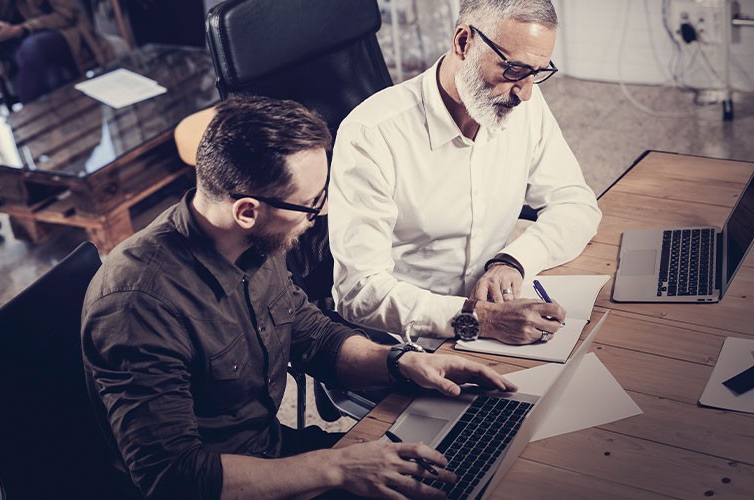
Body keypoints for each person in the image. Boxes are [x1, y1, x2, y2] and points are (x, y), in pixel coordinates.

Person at [82, 94, 518, 499]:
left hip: (274, 453)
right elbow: (174, 477)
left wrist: (402, 363)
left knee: (470, 469)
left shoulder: (254, 240)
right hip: (222, 484)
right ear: (247, 210)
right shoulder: (137, 304)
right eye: (312, 204)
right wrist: (340, 467)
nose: (323, 213)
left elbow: (309, 334)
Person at [329, 0, 601, 346]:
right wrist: (480, 318)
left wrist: (512, 261)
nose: (527, 92)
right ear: (463, 42)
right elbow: (358, 291)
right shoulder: (372, 133)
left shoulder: (524, 105)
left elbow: (576, 203)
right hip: (409, 340)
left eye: (537, 72)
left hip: (497, 316)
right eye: (514, 69)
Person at [0, 0, 114, 103]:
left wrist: (21, 29)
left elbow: (65, 16)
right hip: (13, 43)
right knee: (38, 64)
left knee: (33, 50)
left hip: (64, 34)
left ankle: (29, 127)